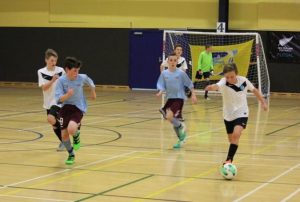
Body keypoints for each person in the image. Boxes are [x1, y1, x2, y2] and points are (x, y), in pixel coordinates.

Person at [205, 63, 268, 165]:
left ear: (236, 74)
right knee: (232, 139)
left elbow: (254, 90)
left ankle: (228, 160)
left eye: (232, 76)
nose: (229, 79)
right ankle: (231, 155)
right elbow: (216, 86)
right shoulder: (224, 82)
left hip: (242, 112)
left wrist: (263, 102)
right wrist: (211, 87)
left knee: (236, 134)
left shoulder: (243, 81)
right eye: (227, 77)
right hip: (228, 115)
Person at [55, 57, 96, 165]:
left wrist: (93, 92)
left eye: (78, 70)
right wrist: (67, 95)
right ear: (67, 70)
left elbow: (90, 82)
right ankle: (71, 154)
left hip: (78, 107)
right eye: (74, 70)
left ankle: (76, 136)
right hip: (65, 108)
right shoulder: (61, 81)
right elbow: (58, 99)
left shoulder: (81, 78)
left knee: (72, 129)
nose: (77, 73)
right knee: (64, 135)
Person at [157, 53, 197, 149]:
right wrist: (160, 92)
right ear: (168, 61)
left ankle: (181, 126)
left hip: (179, 98)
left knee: (169, 116)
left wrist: (193, 95)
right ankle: (181, 139)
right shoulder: (164, 73)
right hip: (170, 98)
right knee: (172, 120)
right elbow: (162, 84)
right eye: (171, 60)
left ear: (177, 62)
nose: (173, 62)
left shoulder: (181, 73)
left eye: (175, 60)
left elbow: (189, 83)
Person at [37, 49, 65, 151]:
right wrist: (52, 80)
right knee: (53, 123)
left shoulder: (61, 70)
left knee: (50, 118)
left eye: (55, 61)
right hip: (48, 102)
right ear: (46, 60)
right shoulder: (41, 72)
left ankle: (65, 141)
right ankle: (64, 141)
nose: (54, 63)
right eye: (52, 60)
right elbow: (44, 88)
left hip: (58, 101)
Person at [160, 44, 190, 121]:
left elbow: (184, 70)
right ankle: (177, 115)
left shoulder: (183, 59)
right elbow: (162, 66)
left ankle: (165, 109)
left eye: (180, 50)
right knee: (179, 98)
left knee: (176, 98)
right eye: (177, 49)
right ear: (174, 50)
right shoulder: (170, 58)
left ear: (182, 51)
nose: (179, 51)